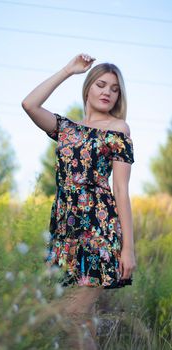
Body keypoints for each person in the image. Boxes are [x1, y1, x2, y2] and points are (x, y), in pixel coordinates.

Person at [22, 53, 137, 348]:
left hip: (99, 231)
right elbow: (29, 104)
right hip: (66, 233)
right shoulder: (66, 129)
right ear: (88, 88)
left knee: (70, 313)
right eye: (101, 84)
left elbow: (121, 191)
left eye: (114, 89)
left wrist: (128, 249)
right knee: (82, 322)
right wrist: (68, 70)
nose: (108, 92)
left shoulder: (118, 129)